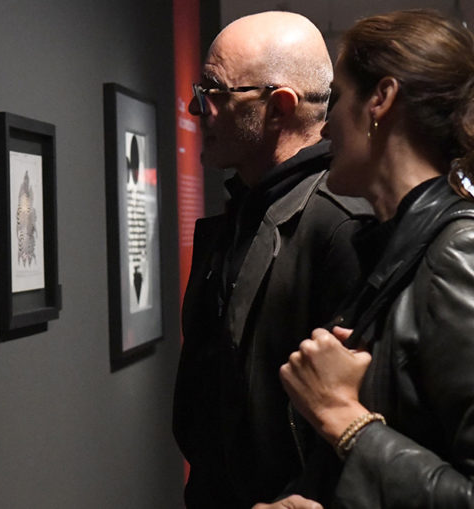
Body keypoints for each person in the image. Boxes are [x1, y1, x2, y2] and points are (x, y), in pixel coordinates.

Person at [172, 11, 372, 508]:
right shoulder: (247, 208)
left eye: (213, 92)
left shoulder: (341, 225)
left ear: (279, 107)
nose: (196, 109)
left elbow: (363, 415)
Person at [279, 9, 474, 508]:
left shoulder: (458, 251)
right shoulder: (396, 247)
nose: (325, 130)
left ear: (381, 99)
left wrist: (344, 419)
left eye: (338, 98)